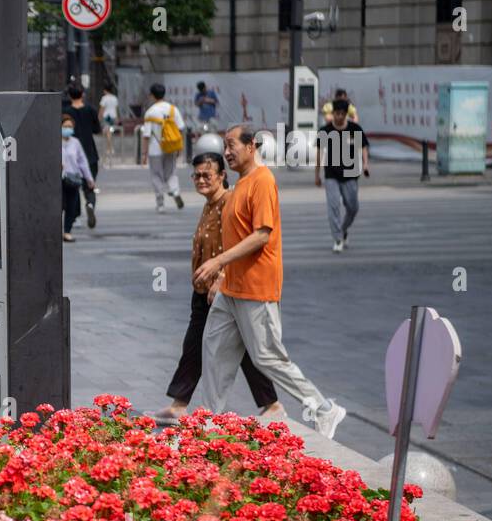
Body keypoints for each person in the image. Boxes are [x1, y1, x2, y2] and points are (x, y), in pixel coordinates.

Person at [193, 124, 347, 440]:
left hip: (256, 287)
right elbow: (235, 235)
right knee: (214, 349)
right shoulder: (240, 185)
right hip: (231, 287)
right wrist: (222, 275)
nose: (227, 151)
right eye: (225, 145)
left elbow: (262, 235)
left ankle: (323, 408)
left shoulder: (263, 181)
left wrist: (218, 261)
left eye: (232, 144)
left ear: (252, 146)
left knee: (266, 356)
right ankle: (207, 421)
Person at [154, 135, 280, 422]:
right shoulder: (210, 204)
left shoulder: (229, 203)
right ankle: (179, 403)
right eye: (196, 176)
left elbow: (240, 243)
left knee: (245, 346)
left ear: (222, 175)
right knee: (196, 344)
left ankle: (270, 404)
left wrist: (222, 276)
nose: (201, 180)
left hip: (222, 288)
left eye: (207, 175)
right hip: (203, 289)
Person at [315, 98, 370, 253]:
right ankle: (338, 239)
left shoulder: (354, 129)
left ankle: (343, 229)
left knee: (353, 208)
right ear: (332, 114)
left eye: (342, 114)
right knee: (333, 207)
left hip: (351, 174)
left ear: (346, 114)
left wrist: (365, 164)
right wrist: (317, 174)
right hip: (331, 174)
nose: (339, 117)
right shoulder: (325, 131)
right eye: (336, 114)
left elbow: (364, 147)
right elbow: (319, 153)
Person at [141, 83, 186, 213]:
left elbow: (146, 135)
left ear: (152, 95)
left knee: (156, 175)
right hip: (171, 147)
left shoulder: (150, 112)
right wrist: (179, 148)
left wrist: (144, 154)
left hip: (155, 149)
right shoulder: (173, 109)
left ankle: (160, 204)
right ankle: (175, 191)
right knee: (171, 172)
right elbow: (180, 129)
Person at [61, 114, 96, 241]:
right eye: (65, 126)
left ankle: (67, 232)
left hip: (73, 179)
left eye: (70, 126)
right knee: (59, 205)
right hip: (59, 180)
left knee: (71, 207)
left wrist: (89, 179)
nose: (68, 129)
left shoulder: (75, 142)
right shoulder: (54, 141)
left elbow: (83, 162)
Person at [62, 84, 102, 184]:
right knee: (90, 185)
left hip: (71, 154)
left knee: (72, 186)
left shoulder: (66, 112)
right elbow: (97, 129)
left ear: (70, 96)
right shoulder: (91, 110)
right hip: (90, 151)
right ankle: (90, 199)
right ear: (82, 95)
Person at [99, 87, 119, 157]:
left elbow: (102, 108)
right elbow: (116, 109)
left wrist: (99, 116)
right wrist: (117, 117)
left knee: (108, 133)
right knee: (110, 132)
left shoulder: (104, 98)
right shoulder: (114, 98)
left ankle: (110, 148)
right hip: (113, 116)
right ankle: (109, 148)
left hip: (106, 117)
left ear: (105, 90)